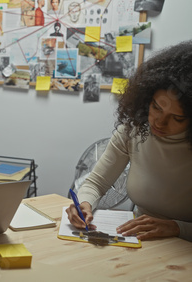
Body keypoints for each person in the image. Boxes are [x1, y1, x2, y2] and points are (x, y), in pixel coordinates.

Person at [66, 40, 192, 242]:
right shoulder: (132, 132)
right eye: (156, 107)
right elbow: (96, 183)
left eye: (177, 118)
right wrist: (83, 204)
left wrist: (178, 228)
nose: (159, 122)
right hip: (139, 242)